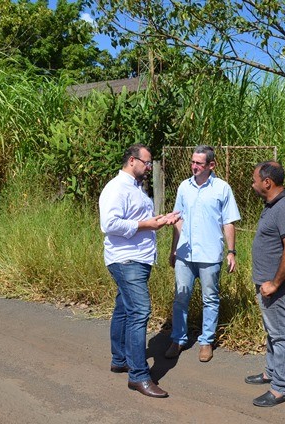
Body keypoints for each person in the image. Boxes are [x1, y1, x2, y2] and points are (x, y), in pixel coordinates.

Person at [99, 144, 180, 398]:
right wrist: (148, 224)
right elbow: (108, 224)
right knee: (140, 311)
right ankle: (138, 375)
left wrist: (160, 220)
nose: (148, 166)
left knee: (124, 307)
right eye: (146, 162)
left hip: (139, 259)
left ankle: (120, 359)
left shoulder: (135, 189)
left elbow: (138, 220)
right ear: (132, 161)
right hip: (126, 260)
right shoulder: (116, 188)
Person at [165, 145, 241, 362]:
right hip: (185, 255)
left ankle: (206, 341)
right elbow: (178, 220)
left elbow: (228, 221)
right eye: (192, 162)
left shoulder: (222, 188)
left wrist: (231, 251)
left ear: (211, 165)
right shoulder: (184, 187)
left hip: (209, 255)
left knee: (210, 299)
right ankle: (178, 339)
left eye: (199, 163)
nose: (194, 166)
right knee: (181, 297)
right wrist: (173, 250)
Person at [245, 161, 285, 407]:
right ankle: (271, 371)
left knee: (280, 335)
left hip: (276, 286)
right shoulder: (272, 204)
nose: (252, 183)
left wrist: (275, 284)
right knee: (272, 331)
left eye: (255, 179)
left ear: (267, 183)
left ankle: (280, 387)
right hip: (267, 284)